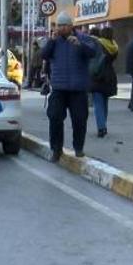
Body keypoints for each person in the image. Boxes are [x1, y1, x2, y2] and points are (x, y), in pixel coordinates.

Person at [41, 12, 97, 161]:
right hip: (59, 87)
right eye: (59, 25)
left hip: (78, 88)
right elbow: (43, 55)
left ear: (71, 26)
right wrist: (51, 41)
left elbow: (93, 52)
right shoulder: (54, 40)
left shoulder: (82, 38)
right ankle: (56, 149)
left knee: (79, 119)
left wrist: (80, 44)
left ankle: (78, 148)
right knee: (54, 116)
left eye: (64, 25)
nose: (61, 28)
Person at [89, 27, 118, 138]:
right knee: (105, 103)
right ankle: (103, 125)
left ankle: (101, 128)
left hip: (98, 75)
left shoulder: (98, 44)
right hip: (110, 75)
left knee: (98, 103)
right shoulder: (114, 46)